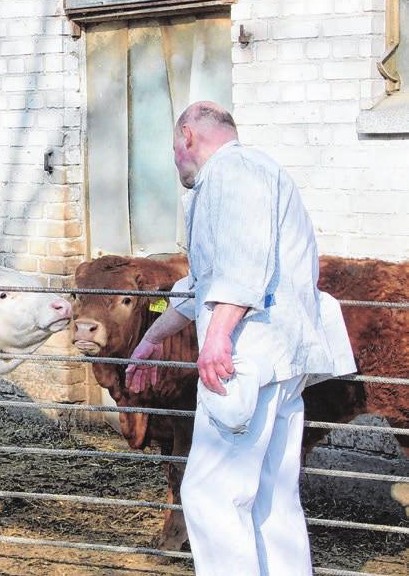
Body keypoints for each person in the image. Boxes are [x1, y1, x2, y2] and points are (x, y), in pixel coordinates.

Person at [125, 102, 355, 575]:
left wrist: (218, 337)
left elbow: (241, 267)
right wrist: (153, 338)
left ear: (187, 136)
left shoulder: (231, 174)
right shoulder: (263, 172)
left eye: (173, 148)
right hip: (282, 362)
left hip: (244, 358)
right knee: (270, 493)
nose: (175, 162)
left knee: (211, 493)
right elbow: (202, 283)